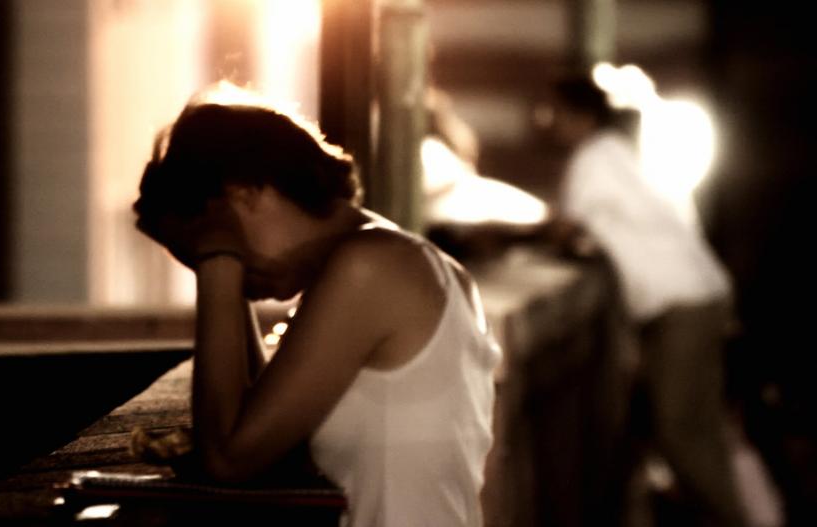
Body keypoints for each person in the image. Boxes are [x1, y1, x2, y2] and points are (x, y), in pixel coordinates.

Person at [130, 82, 502, 526]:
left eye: (211, 244)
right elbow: (264, 440)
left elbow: (229, 458)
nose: (232, 278)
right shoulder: (396, 261)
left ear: (244, 193)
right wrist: (224, 268)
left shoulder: (371, 268)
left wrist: (218, 265)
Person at [542, 75, 747, 527]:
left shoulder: (592, 158)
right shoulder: (623, 152)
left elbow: (566, 230)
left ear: (582, 117)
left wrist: (510, 231)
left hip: (681, 304)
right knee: (699, 431)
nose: (547, 123)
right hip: (700, 294)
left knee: (678, 433)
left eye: (555, 113)